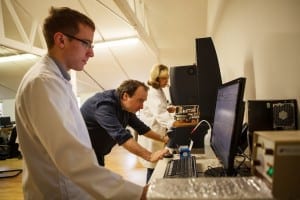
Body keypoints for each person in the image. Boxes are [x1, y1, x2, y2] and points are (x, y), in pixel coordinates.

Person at [15, 7, 148, 200]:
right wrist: (138, 193)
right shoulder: (43, 82)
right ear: (61, 40)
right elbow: (71, 158)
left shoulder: (58, 80)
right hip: (60, 191)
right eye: (86, 43)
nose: (91, 53)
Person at [80, 80, 169, 168]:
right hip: (81, 155)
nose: (142, 106)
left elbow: (142, 128)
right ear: (125, 96)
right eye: (140, 101)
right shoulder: (104, 105)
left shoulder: (124, 107)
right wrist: (149, 156)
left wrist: (164, 139)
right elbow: (121, 136)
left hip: (96, 152)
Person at [137, 64, 176, 183]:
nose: (167, 81)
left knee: (157, 166)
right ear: (157, 78)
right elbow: (159, 114)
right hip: (152, 133)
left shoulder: (158, 89)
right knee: (152, 168)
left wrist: (168, 108)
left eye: (167, 78)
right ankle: (149, 193)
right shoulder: (152, 92)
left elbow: (161, 106)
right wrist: (175, 123)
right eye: (164, 78)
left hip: (157, 131)